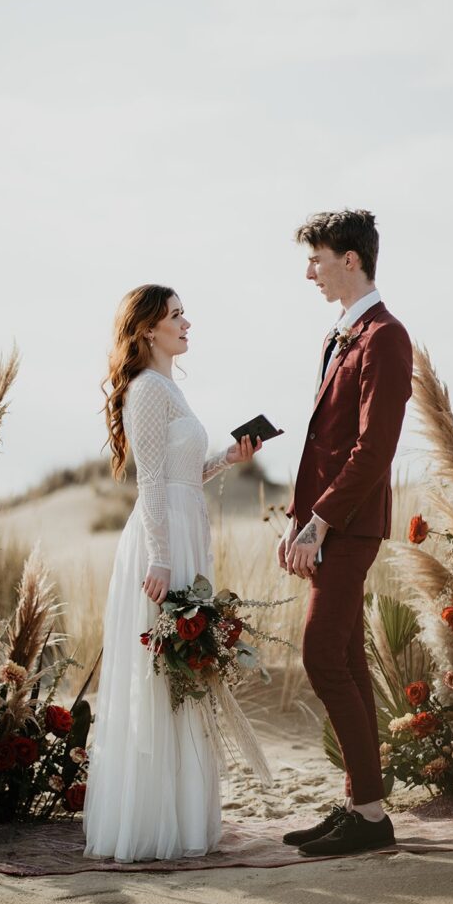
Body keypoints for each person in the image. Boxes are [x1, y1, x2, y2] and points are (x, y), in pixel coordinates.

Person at [83, 284, 260, 863]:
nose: (188, 323)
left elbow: (180, 475)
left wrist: (226, 461)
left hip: (184, 528)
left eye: (185, 314)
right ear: (148, 330)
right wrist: (160, 556)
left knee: (186, 673)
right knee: (164, 672)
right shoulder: (147, 391)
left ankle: (186, 816)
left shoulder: (169, 389)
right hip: (163, 539)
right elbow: (151, 482)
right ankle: (154, 819)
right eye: (176, 316)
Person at [278, 210, 412, 857]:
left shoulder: (384, 337)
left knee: (321, 656)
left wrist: (321, 523)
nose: (309, 272)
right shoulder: (342, 333)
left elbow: (371, 451)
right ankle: (364, 806)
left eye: (317, 258)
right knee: (348, 659)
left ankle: (368, 815)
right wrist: (298, 523)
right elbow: (321, 445)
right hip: (328, 524)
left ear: (351, 259)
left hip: (351, 527)